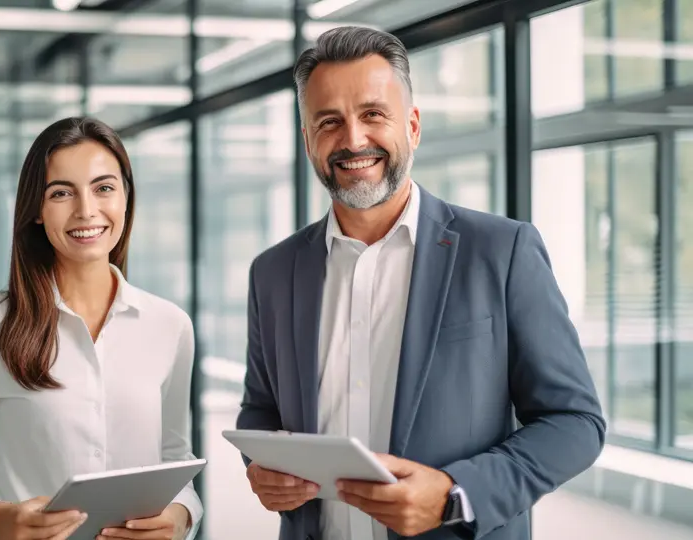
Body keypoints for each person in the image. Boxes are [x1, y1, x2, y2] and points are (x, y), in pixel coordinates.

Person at [236, 26, 606, 540]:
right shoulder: (273, 272)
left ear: (412, 126)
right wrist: (261, 468)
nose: (353, 140)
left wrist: (457, 493)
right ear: (308, 140)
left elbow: (575, 422)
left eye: (373, 114)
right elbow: (260, 409)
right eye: (329, 122)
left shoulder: (501, 252)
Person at [0, 117, 203, 540]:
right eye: (61, 193)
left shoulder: (169, 325)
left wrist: (181, 516)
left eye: (103, 188)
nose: (86, 210)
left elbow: (176, 459)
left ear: (126, 198)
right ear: (37, 211)